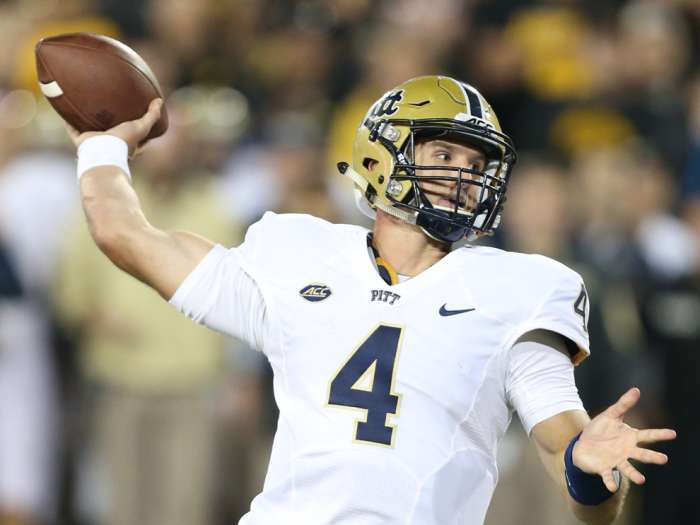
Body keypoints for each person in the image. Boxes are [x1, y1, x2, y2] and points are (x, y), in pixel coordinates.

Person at [67, 75, 676, 525]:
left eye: (476, 162)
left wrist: (592, 476)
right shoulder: (296, 252)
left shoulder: (521, 289)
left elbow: (566, 456)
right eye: (442, 156)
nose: (464, 176)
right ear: (380, 157)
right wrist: (101, 146)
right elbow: (126, 235)